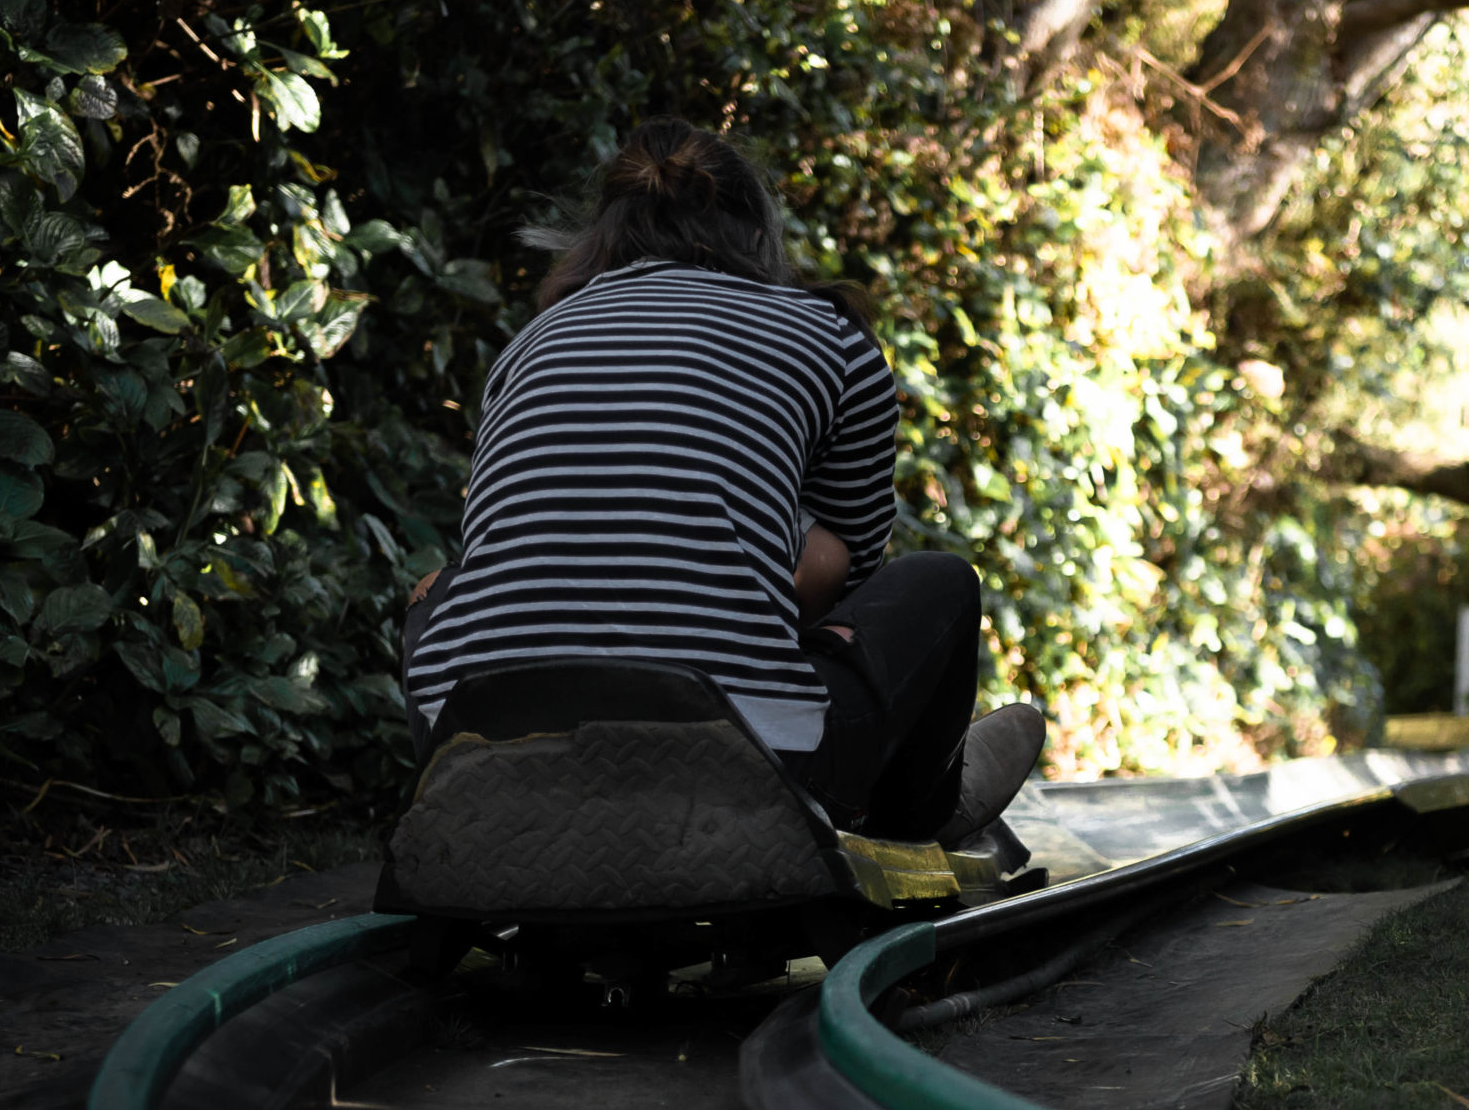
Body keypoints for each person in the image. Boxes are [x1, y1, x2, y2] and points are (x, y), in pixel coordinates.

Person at [398, 117, 1043, 848]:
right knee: (942, 581)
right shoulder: (827, 335)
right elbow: (846, 569)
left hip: (488, 755)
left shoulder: (532, 342)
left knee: (440, 592)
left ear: (602, 233)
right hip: (742, 762)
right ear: (756, 231)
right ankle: (918, 819)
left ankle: (489, 798)